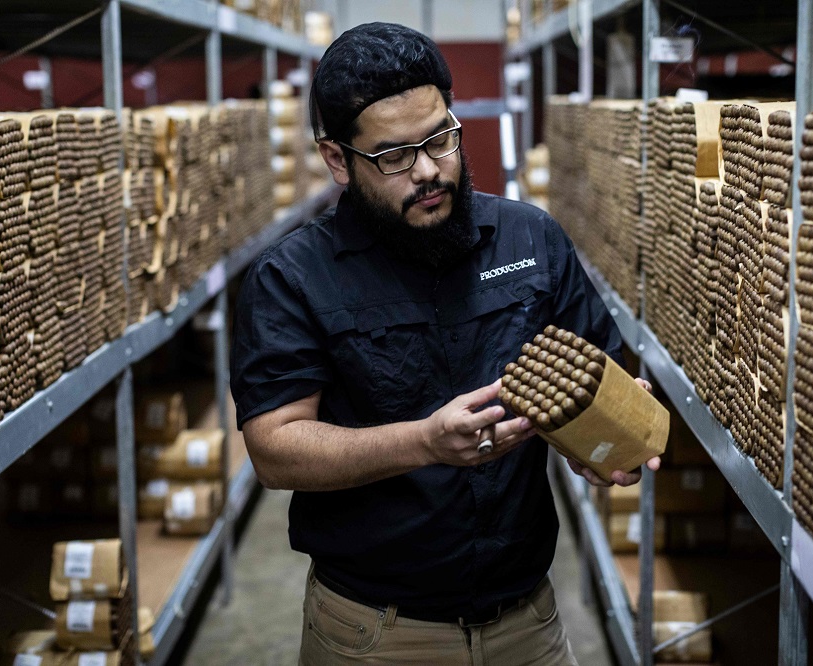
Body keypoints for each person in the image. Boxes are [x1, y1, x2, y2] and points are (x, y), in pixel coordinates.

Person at [230, 21, 660, 665]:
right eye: (394, 156)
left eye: (440, 139)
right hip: (375, 635)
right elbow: (275, 451)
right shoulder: (292, 278)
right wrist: (424, 442)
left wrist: (601, 437)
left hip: (528, 623)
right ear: (337, 161)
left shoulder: (530, 239)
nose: (430, 171)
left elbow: (593, 373)